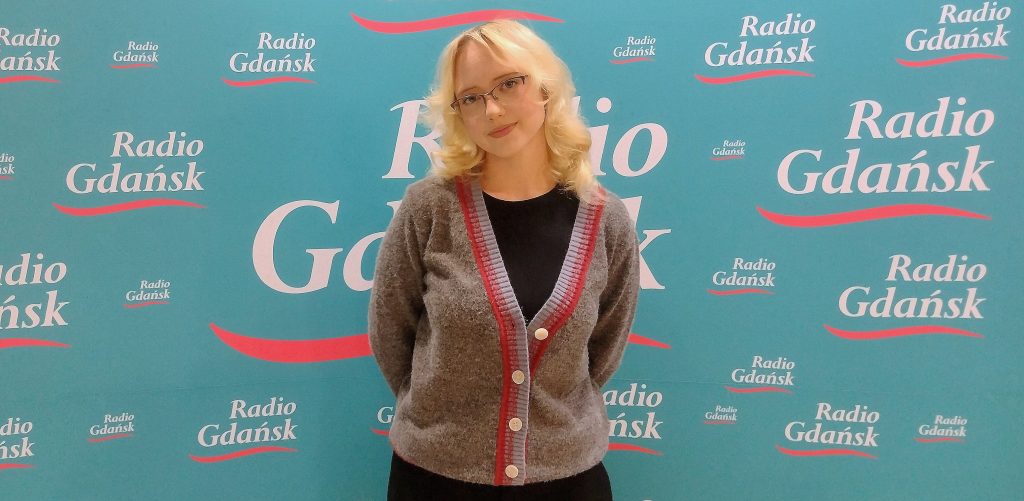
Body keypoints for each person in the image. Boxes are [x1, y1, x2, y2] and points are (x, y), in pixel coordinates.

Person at [368, 19, 640, 500]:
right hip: (434, 480)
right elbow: (392, 333)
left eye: (509, 83)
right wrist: (445, 425)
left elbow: (604, 349)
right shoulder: (428, 209)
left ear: (545, 88)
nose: (492, 109)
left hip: (567, 481)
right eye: (470, 97)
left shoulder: (606, 220)